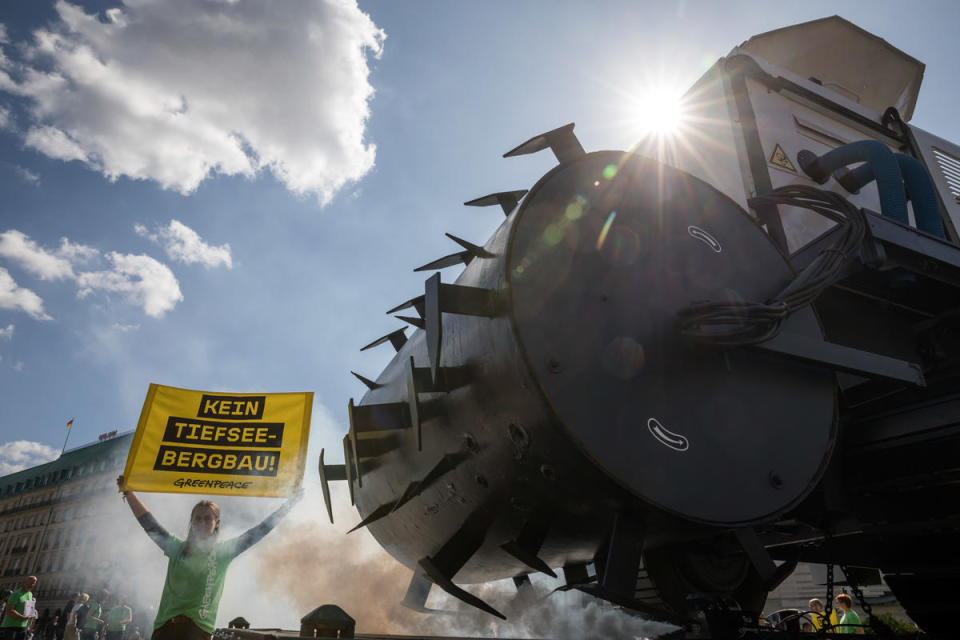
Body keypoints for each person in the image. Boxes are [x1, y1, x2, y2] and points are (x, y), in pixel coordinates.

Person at [118, 475, 301, 640]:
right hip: (166, 628)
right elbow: (150, 525)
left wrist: (289, 505)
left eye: (208, 519)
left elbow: (259, 531)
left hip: (198, 630)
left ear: (217, 524)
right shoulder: (177, 548)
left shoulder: (223, 552)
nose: (202, 523)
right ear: (192, 522)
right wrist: (129, 493)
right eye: (197, 518)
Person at [1, 575, 38, 640]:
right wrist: (22, 617)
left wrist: (32, 613)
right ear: (25, 582)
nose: (32, 584)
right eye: (30, 582)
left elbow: (28, 609)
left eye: (34, 583)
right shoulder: (16, 594)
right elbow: (9, 611)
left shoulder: (30, 594)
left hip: (23, 628)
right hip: (10, 627)